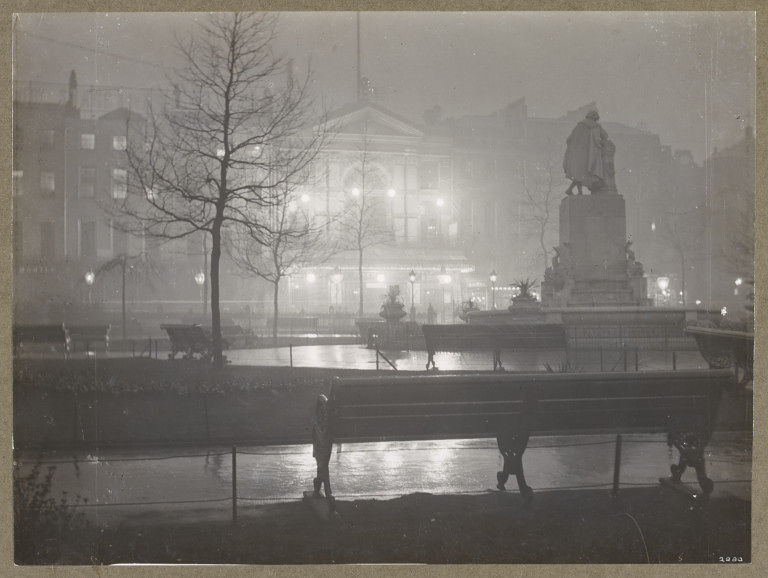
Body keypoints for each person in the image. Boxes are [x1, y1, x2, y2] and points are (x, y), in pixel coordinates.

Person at [563, 110, 610, 195]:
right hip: (589, 155)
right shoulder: (595, 126)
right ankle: (574, 190)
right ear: (595, 118)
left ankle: (576, 191)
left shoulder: (579, 125)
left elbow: (569, 139)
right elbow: (605, 135)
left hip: (577, 154)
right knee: (582, 173)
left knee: (578, 173)